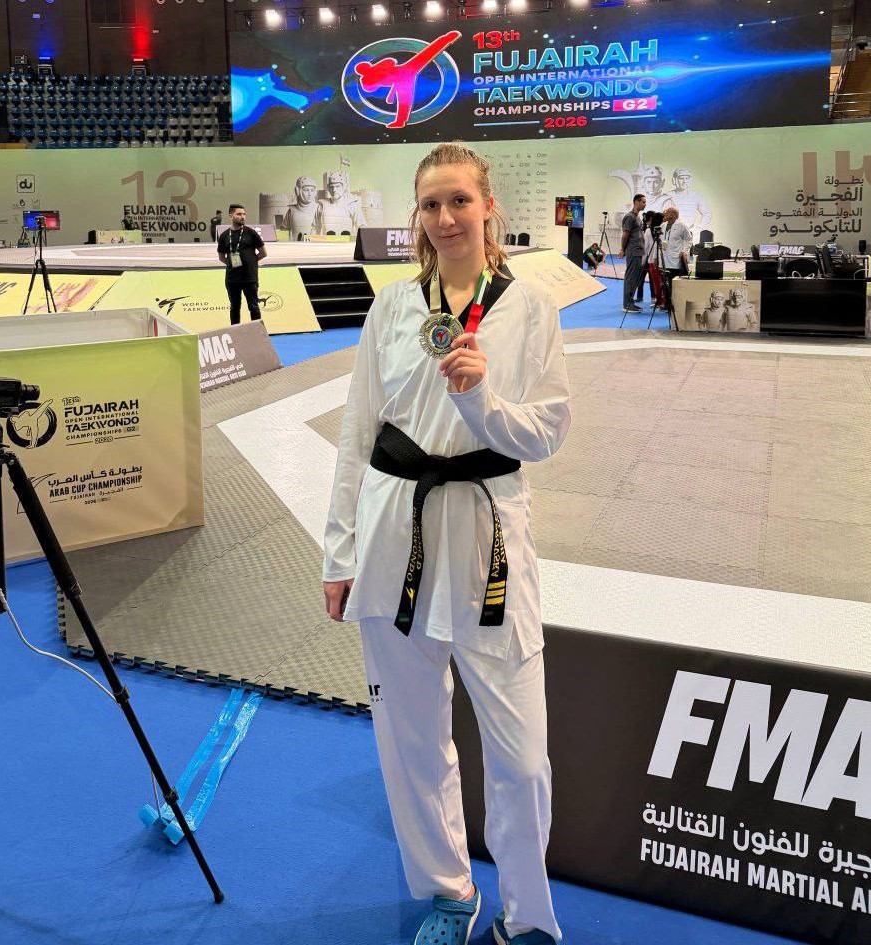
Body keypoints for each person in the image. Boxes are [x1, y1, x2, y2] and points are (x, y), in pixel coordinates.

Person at [322, 142, 570, 945]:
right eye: (430, 204)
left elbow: (547, 432)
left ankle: (527, 916)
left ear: (488, 206)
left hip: (488, 536)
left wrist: (479, 399)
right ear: (417, 216)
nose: (445, 217)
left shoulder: (528, 307)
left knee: (522, 757)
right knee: (412, 740)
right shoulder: (394, 308)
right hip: (394, 534)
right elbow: (358, 434)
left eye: (459, 200)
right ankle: (447, 890)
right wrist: (339, 553)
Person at [216, 203, 267, 325]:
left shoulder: (251, 233)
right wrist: (232, 264)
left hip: (249, 278)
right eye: (239, 214)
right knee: (234, 308)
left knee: (254, 307)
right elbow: (222, 257)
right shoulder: (224, 236)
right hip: (232, 279)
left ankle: (257, 333)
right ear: (231, 216)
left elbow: (263, 253)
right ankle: (236, 333)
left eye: (244, 214)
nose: (242, 217)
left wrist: (251, 262)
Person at [317, 170, 368, 235]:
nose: (334, 190)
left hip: (346, 241)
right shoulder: (321, 205)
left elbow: (362, 227)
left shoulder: (352, 205)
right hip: (327, 241)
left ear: (343, 187)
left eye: (337, 186)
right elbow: (315, 228)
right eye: (332, 187)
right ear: (328, 188)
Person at [667, 168, 711, 239]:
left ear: (690, 180)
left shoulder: (696, 196)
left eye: (686, 178)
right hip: (673, 233)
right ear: (674, 180)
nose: (684, 181)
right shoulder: (668, 196)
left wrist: (700, 228)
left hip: (691, 233)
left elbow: (707, 213)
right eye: (681, 178)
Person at [620, 193, 646, 314]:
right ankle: (627, 304)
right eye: (643, 202)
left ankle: (630, 301)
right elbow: (625, 235)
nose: (645, 204)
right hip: (633, 251)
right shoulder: (630, 217)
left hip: (638, 251)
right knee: (630, 278)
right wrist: (622, 249)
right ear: (636, 202)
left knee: (634, 278)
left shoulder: (637, 217)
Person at [660, 206, 692, 282]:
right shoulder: (662, 225)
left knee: (674, 283)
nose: (665, 213)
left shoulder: (682, 225)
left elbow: (689, 239)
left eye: (668, 211)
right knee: (664, 284)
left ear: (674, 214)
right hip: (664, 260)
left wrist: (684, 251)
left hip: (675, 260)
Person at [282, 176, 320, 241]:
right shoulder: (291, 211)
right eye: (306, 190)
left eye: (312, 190)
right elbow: (284, 230)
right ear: (298, 191)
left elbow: (322, 233)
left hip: (312, 245)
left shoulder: (318, 209)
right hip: (295, 245)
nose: (310, 194)